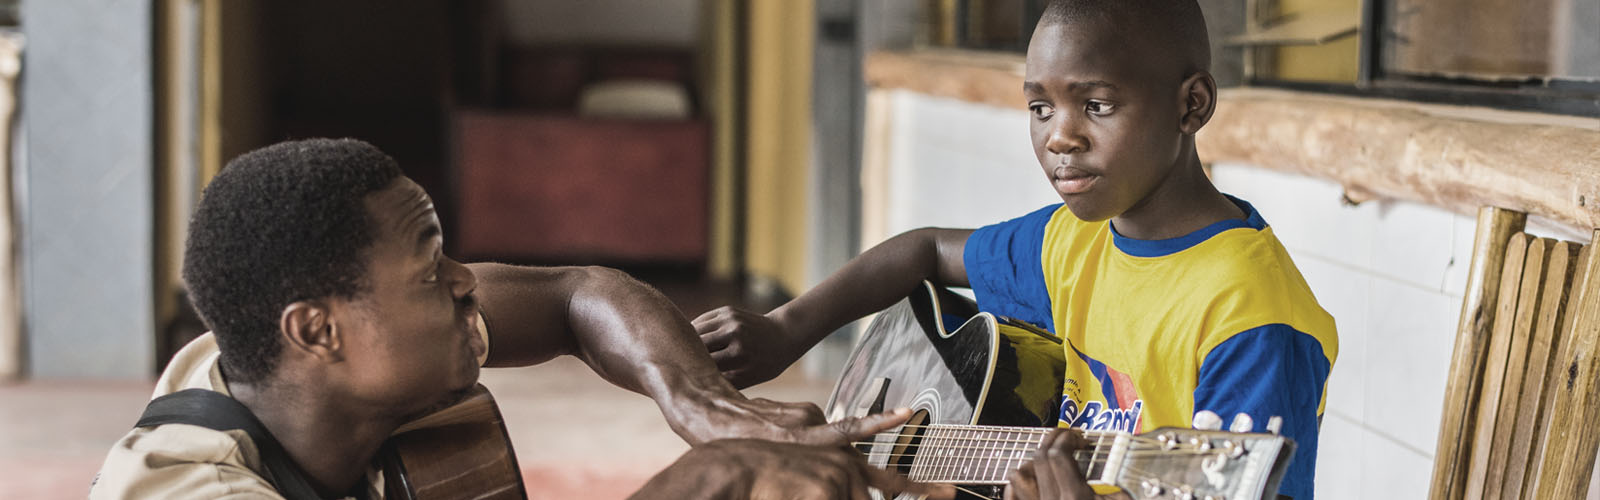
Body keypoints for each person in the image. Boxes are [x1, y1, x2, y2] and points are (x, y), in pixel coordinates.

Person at [694, 0, 1337, 498]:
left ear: (1191, 105)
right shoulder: (1071, 240)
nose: (1060, 137)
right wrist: (786, 329)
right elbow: (923, 251)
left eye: (1096, 104)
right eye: (1040, 108)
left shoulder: (1250, 317)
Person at [89, 138, 954, 500]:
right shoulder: (190, 488)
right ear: (318, 332)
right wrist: (703, 481)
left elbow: (578, 293)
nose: (467, 282)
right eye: (430, 270)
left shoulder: (280, 367)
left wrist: (707, 409)